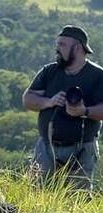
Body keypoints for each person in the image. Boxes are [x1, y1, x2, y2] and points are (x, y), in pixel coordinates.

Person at [23, 25, 103, 191]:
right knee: (37, 195)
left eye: (62, 45)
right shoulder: (49, 71)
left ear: (79, 47)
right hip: (47, 147)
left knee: (77, 198)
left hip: (83, 149)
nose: (57, 49)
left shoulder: (98, 75)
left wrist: (84, 111)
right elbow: (28, 99)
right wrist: (49, 102)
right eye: (57, 44)